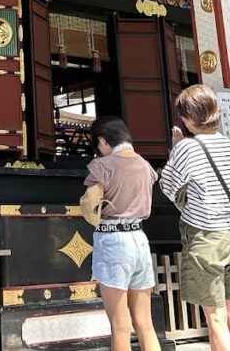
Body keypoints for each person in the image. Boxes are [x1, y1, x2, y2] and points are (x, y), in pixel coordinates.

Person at [160, 85, 230, 351]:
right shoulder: (226, 143)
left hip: (206, 237)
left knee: (215, 318)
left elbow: (168, 186)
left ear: (188, 118)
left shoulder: (187, 147)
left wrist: (176, 149)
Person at [82, 116, 161, 351]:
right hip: (139, 238)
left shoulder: (103, 165)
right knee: (145, 323)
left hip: (114, 239)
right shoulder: (145, 165)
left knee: (120, 324)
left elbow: (90, 204)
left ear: (103, 141)